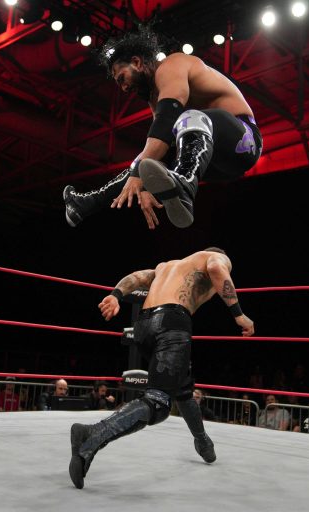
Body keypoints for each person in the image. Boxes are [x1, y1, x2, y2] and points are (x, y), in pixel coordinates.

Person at [69, 247, 254, 489]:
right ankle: (91, 435)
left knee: (182, 386)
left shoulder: (166, 266)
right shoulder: (214, 257)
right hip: (171, 324)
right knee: (158, 403)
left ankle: (202, 442)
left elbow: (136, 277)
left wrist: (115, 295)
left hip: (143, 326)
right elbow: (216, 268)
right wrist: (239, 315)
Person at [63, 27, 262, 230]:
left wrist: (139, 175)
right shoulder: (155, 97)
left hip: (243, 142)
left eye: (122, 78)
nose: (124, 88)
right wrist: (147, 185)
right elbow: (158, 147)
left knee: (187, 118)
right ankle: (85, 204)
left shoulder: (171, 65)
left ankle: (184, 184)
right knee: (149, 158)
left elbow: (166, 122)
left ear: (137, 62)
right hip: (214, 163)